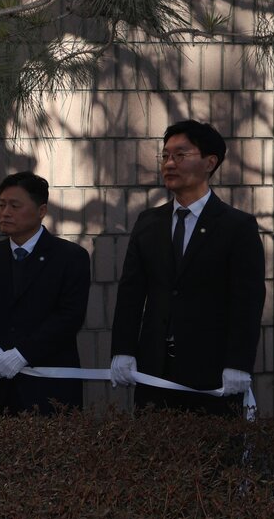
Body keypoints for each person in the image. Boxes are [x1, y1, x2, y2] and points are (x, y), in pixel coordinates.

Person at [110, 120, 265, 414]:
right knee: (150, 456)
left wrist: (238, 364)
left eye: (180, 155)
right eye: (165, 156)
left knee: (211, 458)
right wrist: (123, 350)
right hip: (154, 370)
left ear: (210, 162)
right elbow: (131, 293)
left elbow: (248, 301)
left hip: (213, 372)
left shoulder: (237, 226)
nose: (169, 163)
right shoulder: (148, 222)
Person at [0, 172, 90, 416]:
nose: (5, 212)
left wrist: (23, 353)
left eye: (15, 206)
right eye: (2, 205)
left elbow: (70, 316)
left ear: (41, 210)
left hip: (50, 386)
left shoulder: (70, 257)